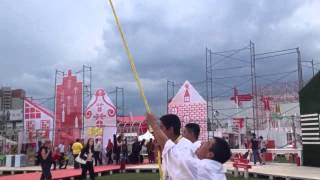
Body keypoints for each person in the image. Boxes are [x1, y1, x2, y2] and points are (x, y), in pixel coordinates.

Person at [146, 113, 231, 180]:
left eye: (207, 143)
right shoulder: (212, 168)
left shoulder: (200, 166)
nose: (201, 143)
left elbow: (171, 150)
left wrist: (154, 124)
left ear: (210, 154)